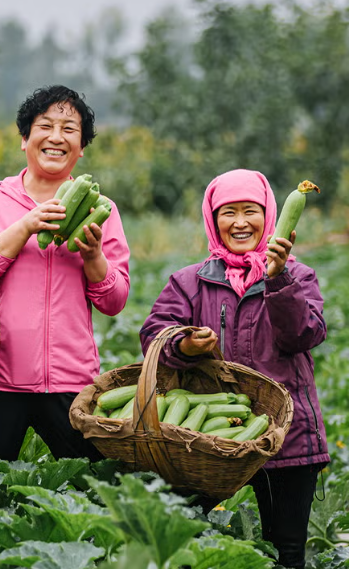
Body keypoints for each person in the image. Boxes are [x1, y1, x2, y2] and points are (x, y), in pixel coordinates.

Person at [139, 168, 330, 569]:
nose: (240, 222)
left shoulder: (298, 275)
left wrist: (278, 282)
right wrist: (185, 344)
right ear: (213, 219)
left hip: (286, 437)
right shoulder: (189, 282)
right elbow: (155, 333)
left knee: (287, 553)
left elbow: (305, 335)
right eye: (228, 212)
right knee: (185, 539)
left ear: (269, 217)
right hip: (207, 437)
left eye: (250, 211)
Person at [0, 85, 131, 486]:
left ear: (81, 147)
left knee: (97, 497)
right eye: (44, 125)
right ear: (24, 139)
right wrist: (25, 226)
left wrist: (93, 257)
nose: (56, 136)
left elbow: (116, 300)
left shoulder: (102, 211)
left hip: (73, 383)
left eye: (70, 128)